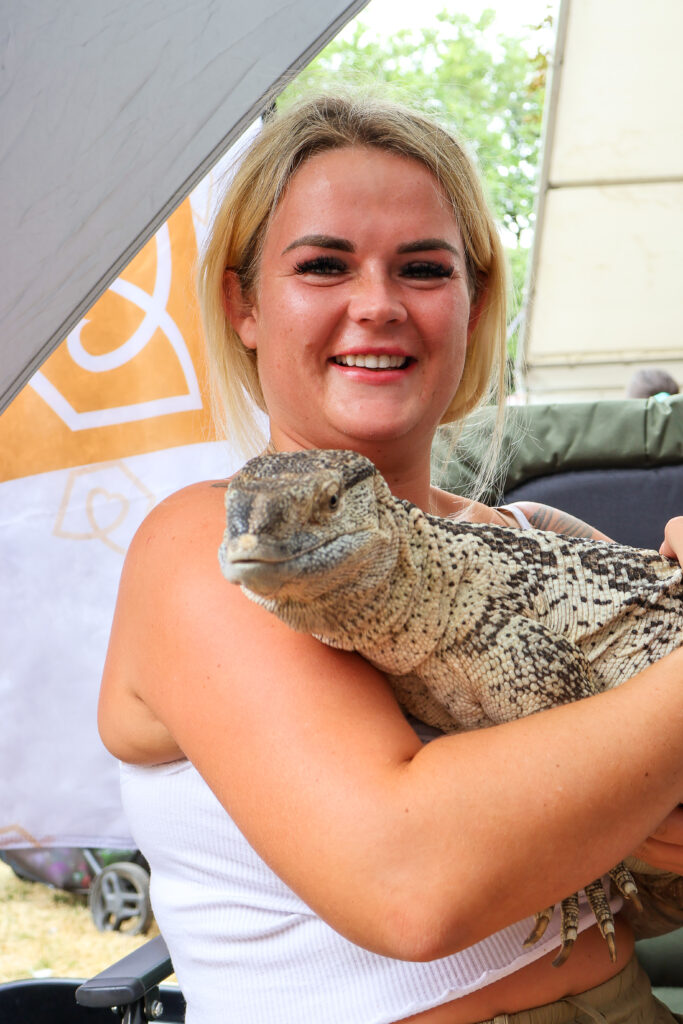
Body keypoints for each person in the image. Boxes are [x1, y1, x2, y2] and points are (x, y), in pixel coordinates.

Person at [98, 94, 683, 1023]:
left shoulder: (541, 535)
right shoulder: (210, 541)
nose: (376, 305)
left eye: (421, 268)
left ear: (474, 300)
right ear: (242, 302)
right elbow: (409, 884)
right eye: (323, 265)